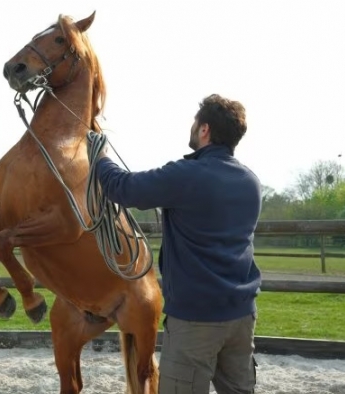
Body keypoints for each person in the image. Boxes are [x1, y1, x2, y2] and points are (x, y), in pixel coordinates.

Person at [91, 93, 262, 394]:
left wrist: (100, 155)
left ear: (205, 129)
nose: (193, 128)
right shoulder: (251, 181)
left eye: (196, 123)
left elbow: (124, 188)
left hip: (196, 320)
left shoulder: (187, 175)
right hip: (242, 317)